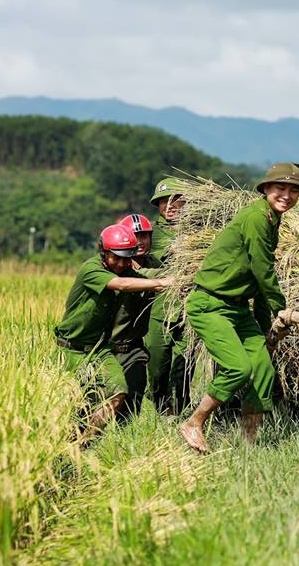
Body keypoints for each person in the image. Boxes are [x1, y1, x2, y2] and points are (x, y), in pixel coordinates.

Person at [179, 163, 299, 453]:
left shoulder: (272, 219)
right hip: (211, 304)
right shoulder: (256, 218)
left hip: (238, 309)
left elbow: (258, 281)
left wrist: (269, 323)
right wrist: (282, 307)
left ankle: (248, 446)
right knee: (238, 368)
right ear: (265, 189)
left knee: (262, 368)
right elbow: (263, 271)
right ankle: (194, 422)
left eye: (294, 191)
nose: (286, 195)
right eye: (280, 188)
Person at [54, 224, 173, 438]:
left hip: (100, 350)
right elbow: (121, 284)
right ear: (103, 252)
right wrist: (162, 283)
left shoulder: (128, 272)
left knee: (119, 393)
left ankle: (85, 443)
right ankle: (68, 439)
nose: (120, 264)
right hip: (71, 348)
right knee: (77, 402)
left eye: (126, 258)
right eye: (115, 258)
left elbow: (143, 278)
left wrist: (180, 279)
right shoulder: (91, 269)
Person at [143, 178, 191, 415]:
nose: (170, 206)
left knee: (184, 364)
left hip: (190, 309)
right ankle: (160, 405)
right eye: (164, 201)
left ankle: (181, 409)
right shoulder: (150, 235)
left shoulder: (199, 232)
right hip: (159, 310)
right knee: (157, 363)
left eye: (176, 200)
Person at [107, 214, 157, 419]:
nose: (141, 241)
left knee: (134, 397)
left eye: (145, 236)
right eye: (136, 236)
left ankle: (126, 439)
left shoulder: (154, 263)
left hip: (134, 344)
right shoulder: (118, 268)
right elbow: (144, 278)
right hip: (109, 345)